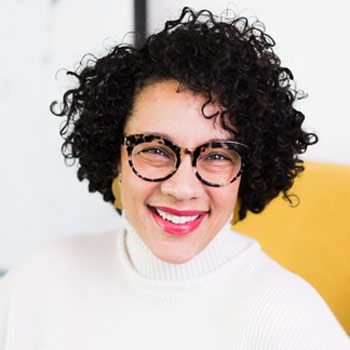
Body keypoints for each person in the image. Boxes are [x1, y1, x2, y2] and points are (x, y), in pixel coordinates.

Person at [1, 7, 349, 350]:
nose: (181, 189)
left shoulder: (293, 323)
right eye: (154, 150)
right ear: (114, 156)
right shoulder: (39, 282)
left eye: (216, 156)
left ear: (248, 171)